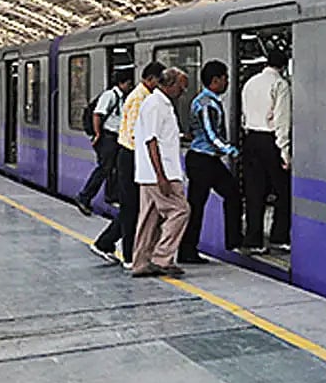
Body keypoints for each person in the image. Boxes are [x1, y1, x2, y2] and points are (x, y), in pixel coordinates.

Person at [89, 61, 164, 268]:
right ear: (151, 79)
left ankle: (106, 243)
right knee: (131, 207)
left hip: (130, 155)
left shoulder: (142, 96)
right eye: (160, 81)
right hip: (131, 155)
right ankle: (129, 255)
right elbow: (134, 133)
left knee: (132, 206)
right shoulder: (141, 99)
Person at [131, 67, 191, 278]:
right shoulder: (156, 105)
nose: (183, 91)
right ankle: (161, 258)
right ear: (170, 84)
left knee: (148, 219)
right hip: (160, 173)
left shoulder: (159, 104)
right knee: (181, 211)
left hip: (150, 173)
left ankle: (140, 263)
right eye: (181, 86)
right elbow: (151, 141)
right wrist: (161, 177)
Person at [180, 60, 242, 262]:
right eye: (225, 78)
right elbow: (210, 134)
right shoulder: (206, 104)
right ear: (216, 80)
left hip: (207, 160)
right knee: (197, 206)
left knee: (231, 193)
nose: (228, 82)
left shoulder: (207, 100)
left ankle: (233, 240)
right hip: (202, 160)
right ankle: (187, 250)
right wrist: (230, 150)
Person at [240, 48, 291, 253]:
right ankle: (279, 236)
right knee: (283, 191)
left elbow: (244, 115)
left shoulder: (250, 83)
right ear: (283, 66)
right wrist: (285, 153)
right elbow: (282, 120)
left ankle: (253, 239)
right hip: (270, 141)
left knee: (254, 191)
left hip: (251, 138)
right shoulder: (280, 84)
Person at [76, 70, 133, 215]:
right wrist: (97, 134)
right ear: (122, 83)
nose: (130, 86)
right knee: (104, 168)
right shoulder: (110, 96)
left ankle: (112, 196)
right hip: (107, 137)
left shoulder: (122, 97)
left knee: (115, 167)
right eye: (128, 83)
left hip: (116, 137)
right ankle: (84, 197)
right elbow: (97, 114)